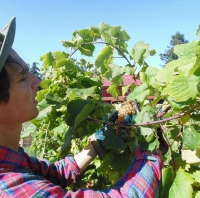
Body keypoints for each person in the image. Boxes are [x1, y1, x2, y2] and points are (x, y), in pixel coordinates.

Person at [0, 17, 163, 198]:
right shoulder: (9, 189)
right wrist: (150, 150)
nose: (36, 81)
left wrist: (102, 139)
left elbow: (56, 174)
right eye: (22, 77)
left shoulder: (11, 160)